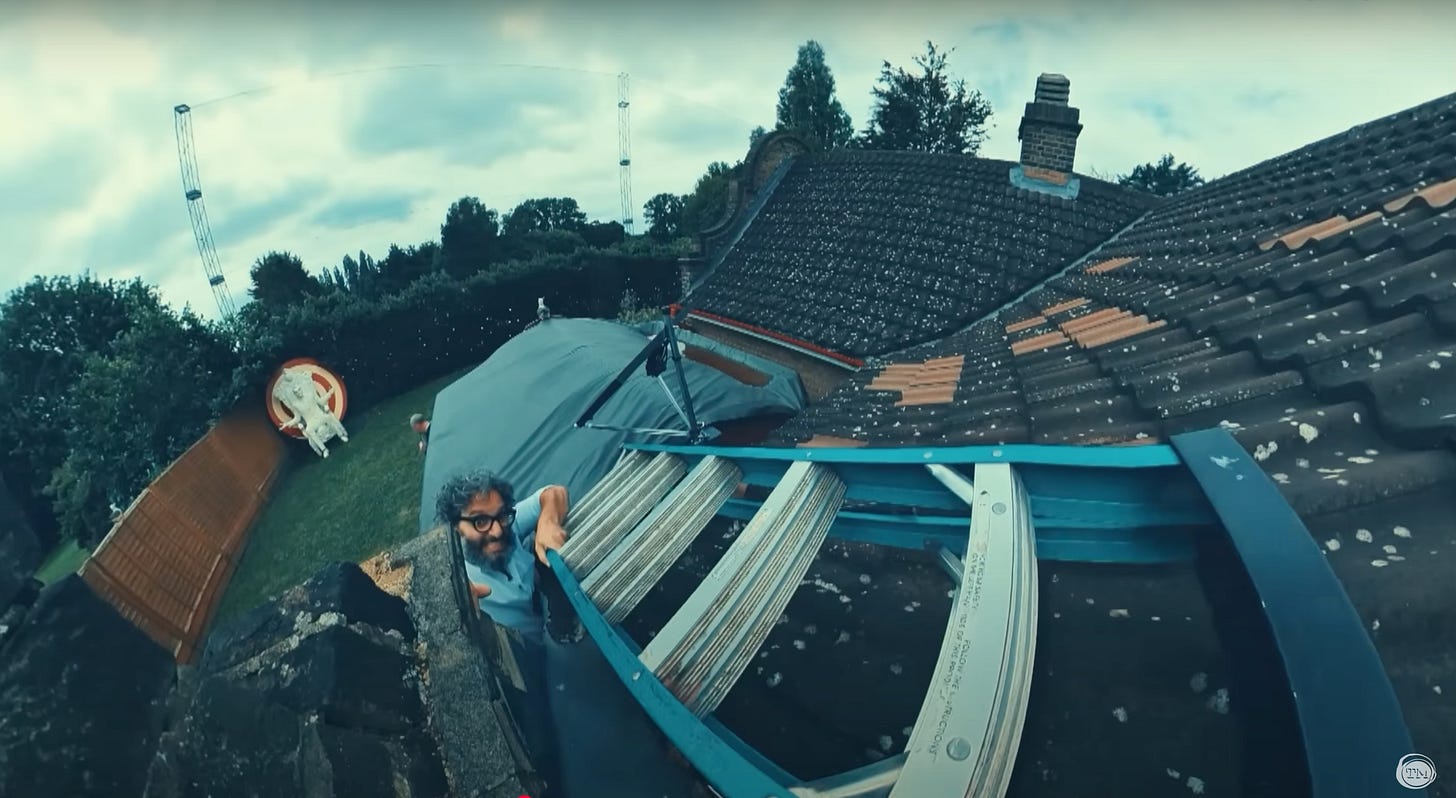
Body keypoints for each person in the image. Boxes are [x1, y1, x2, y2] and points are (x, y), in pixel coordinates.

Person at [434, 469, 569, 640]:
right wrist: (457, 602)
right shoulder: (464, 582)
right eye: (480, 521)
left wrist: (548, 523)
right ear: (455, 530)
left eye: (502, 515)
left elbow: (554, 493)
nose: (497, 531)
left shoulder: (509, 525)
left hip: (552, 611)